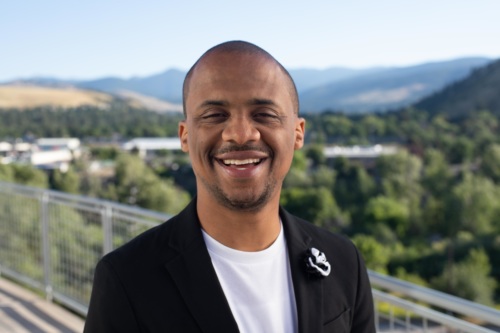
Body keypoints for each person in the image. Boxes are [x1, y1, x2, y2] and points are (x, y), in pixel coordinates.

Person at [84, 41, 375, 333]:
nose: (239, 134)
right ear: (185, 136)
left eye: (264, 114)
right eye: (214, 116)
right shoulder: (127, 279)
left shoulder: (344, 261)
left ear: (297, 133)